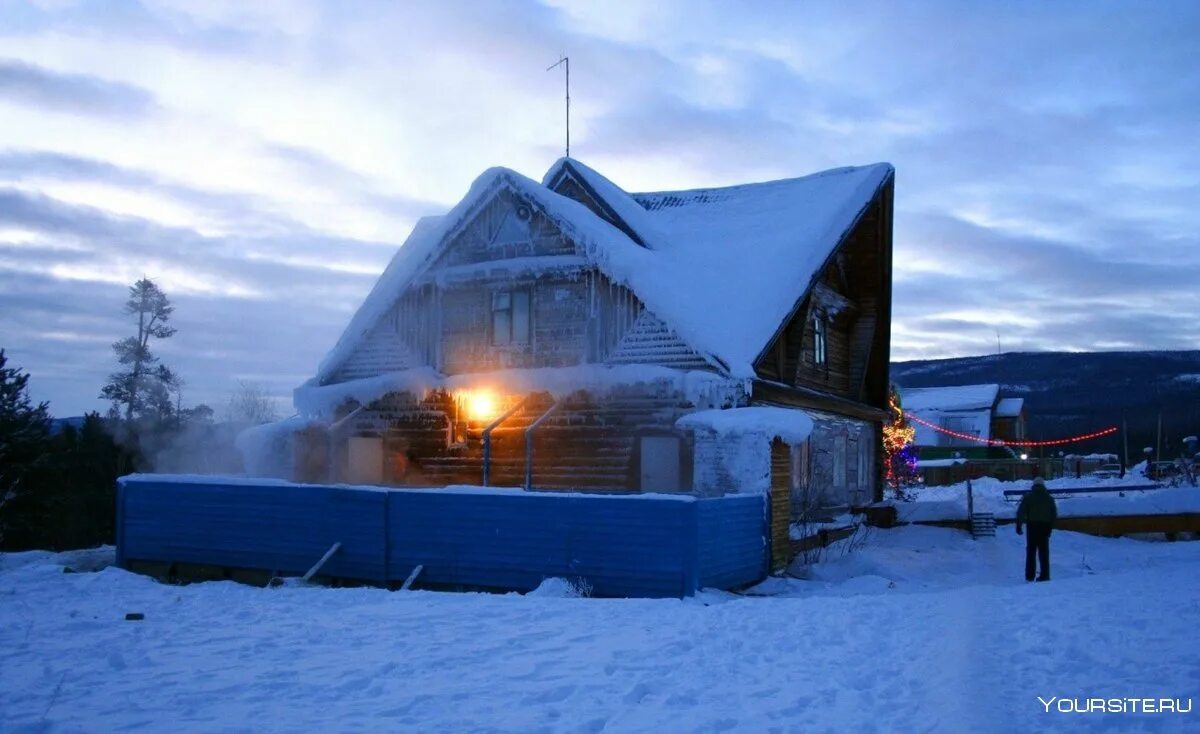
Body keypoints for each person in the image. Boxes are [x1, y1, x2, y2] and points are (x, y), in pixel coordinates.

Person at [1016, 476, 1057, 582]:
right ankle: (1045, 575)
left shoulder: (1028, 497)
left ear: (1033, 485)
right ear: (1043, 485)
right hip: (1044, 527)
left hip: (1032, 527)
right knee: (1044, 552)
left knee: (1031, 551)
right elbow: (1054, 514)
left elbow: (1021, 512)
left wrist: (1019, 525)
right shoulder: (1049, 498)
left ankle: (1030, 576)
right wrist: (1050, 528)